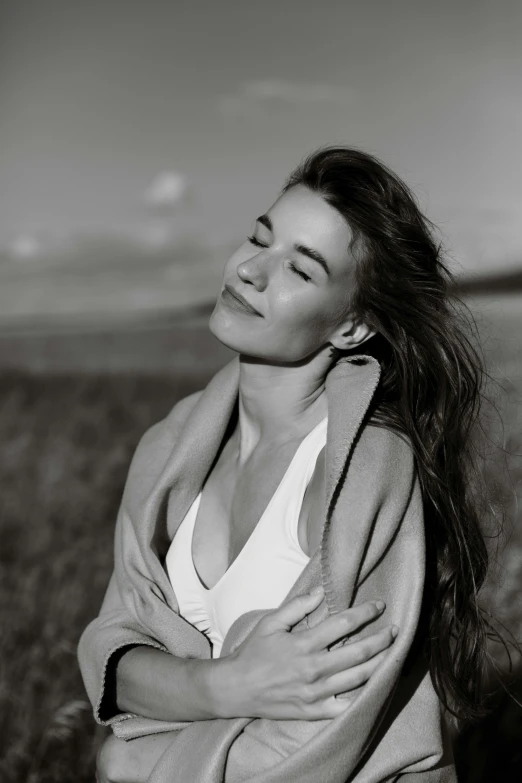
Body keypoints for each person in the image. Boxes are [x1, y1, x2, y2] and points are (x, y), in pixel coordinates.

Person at [80, 146, 500, 783]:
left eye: (300, 271)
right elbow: (111, 652)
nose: (250, 270)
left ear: (353, 327)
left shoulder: (366, 470)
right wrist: (224, 687)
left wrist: (137, 759)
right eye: (259, 237)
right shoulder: (168, 449)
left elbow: (324, 743)